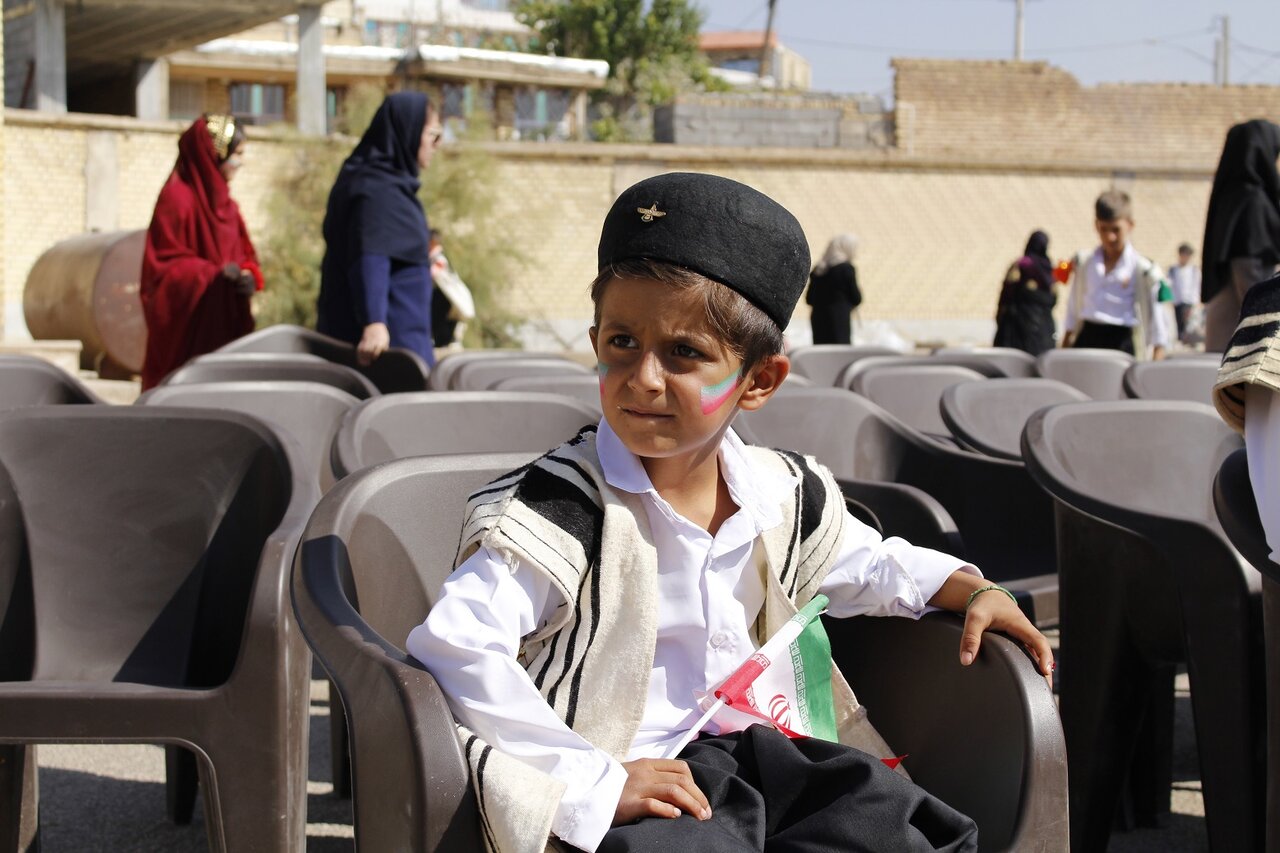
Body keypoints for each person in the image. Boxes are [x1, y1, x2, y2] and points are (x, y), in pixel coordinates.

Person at [406, 172, 1054, 853]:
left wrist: (970, 588)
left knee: (901, 828)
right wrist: (593, 782)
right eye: (622, 342)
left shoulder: (782, 492)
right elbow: (457, 646)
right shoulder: (557, 507)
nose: (644, 378)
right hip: (632, 782)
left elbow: (871, 564)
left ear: (760, 380)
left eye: (684, 353)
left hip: (761, 761)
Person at [317, 91, 443, 367]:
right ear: (409, 131)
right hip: (387, 353)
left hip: (406, 340)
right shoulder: (378, 190)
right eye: (433, 135)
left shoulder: (390, 185)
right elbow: (370, 256)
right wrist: (373, 322)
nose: (438, 145)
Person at [139, 114, 262, 390]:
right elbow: (161, 270)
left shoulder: (229, 208)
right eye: (237, 154)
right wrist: (212, 276)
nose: (240, 163)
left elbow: (246, 258)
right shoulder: (177, 200)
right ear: (216, 155)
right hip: (187, 336)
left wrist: (247, 277)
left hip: (226, 332)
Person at [1061, 189, 1171, 360]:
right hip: (1087, 340)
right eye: (1103, 229)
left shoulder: (1145, 271)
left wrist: (1156, 362)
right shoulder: (1085, 263)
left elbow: (1159, 328)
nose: (1109, 237)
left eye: (1116, 230)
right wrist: (1064, 349)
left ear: (1130, 225)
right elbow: (1073, 311)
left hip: (1122, 344)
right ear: (1096, 225)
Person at [1201, 119, 1280, 352]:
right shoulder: (1253, 203)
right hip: (1245, 348)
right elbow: (1253, 286)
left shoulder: (1231, 197)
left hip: (1225, 339)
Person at [993, 230, 1058, 356]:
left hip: (1017, 327)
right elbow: (1054, 298)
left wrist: (1000, 314)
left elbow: (1007, 291)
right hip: (1043, 328)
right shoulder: (1048, 269)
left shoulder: (1021, 264)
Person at [805, 233, 862, 344]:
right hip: (839, 321)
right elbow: (856, 298)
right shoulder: (846, 269)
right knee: (839, 352)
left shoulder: (818, 270)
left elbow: (809, 299)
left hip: (818, 320)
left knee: (821, 351)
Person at [428, 229, 476, 351]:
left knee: (441, 320)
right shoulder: (435, 257)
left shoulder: (439, 258)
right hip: (442, 295)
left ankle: (443, 343)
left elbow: (433, 273)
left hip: (444, 296)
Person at [1168, 242, 1201, 344]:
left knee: (1189, 323)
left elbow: (1196, 286)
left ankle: (1189, 340)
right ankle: (1181, 340)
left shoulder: (1194, 270)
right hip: (1177, 301)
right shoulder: (1173, 270)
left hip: (1190, 301)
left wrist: (1195, 302)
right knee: (1179, 323)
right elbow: (1170, 285)